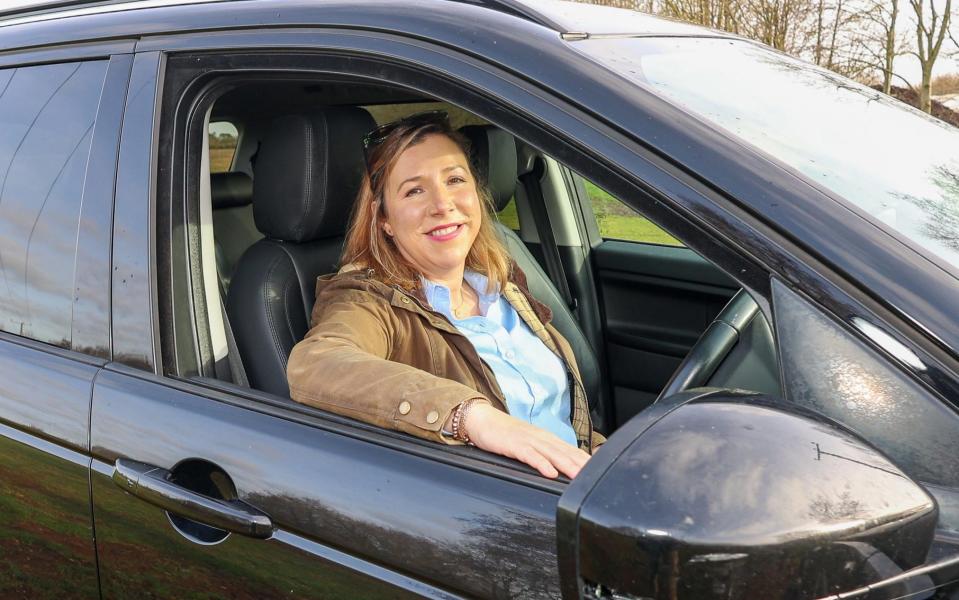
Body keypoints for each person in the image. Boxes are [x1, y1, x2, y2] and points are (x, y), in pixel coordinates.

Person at [286, 111, 604, 479]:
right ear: (384, 218)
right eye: (415, 190)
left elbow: (564, 419)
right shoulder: (366, 297)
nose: (442, 204)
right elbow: (316, 364)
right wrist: (469, 416)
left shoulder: (504, 280)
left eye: (454, 179)